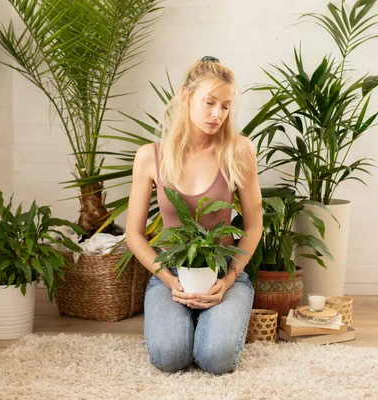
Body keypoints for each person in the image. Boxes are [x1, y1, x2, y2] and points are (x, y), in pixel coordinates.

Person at [125, 56, 263, 375]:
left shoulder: (238, 151)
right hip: (170, 275)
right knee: (170, 357)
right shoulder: (150, 156)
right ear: (186, 97)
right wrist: (169, 280)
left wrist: (228, 280)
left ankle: (212, 317)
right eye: (210, 102)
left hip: (224, 274)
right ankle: (189, 320)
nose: (218, 114)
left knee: (217, 359)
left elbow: (255, 226)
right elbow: (134, 234)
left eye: (226, 106)